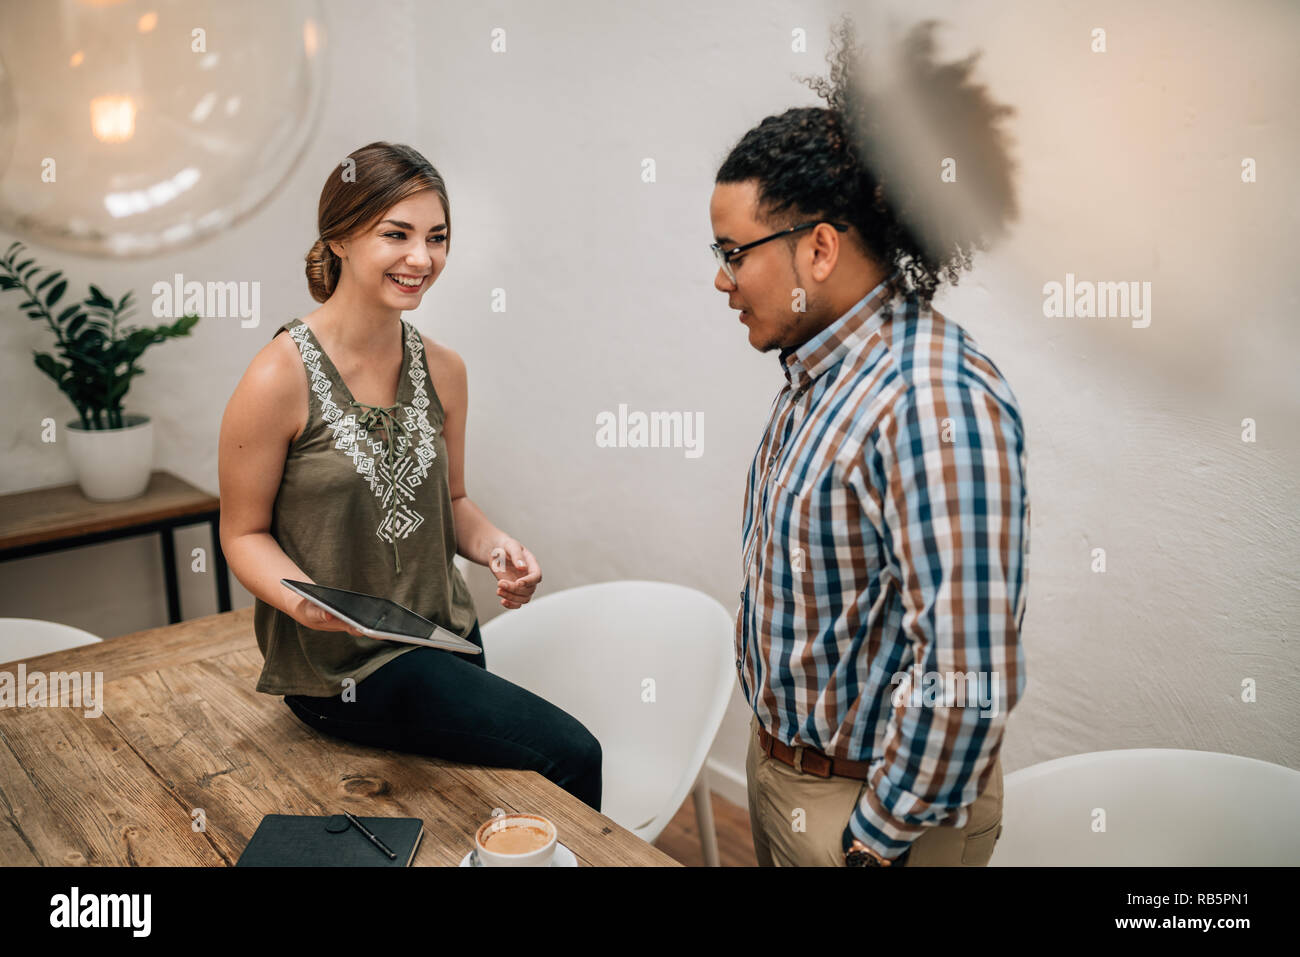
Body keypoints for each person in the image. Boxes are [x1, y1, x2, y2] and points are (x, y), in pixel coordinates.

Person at [710, 19, 1027, 866]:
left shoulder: (932, 400)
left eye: (733, 252)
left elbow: (965, 676)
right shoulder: (819, 375)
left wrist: (874, 842)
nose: (721, 278)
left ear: (818, 247)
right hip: (788, 772)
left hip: (875, 822)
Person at [217, 141, 601, 810]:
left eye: (437, 237)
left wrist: (496, 548)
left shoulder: (445, 369)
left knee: (497, 801)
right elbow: (242, 532)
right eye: (396, 234)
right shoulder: (277, 376)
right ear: (338, 236)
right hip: (341, 669)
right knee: (573, 754)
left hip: (446, 640)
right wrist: (301, 596)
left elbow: (451, 500)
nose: (422, 258)